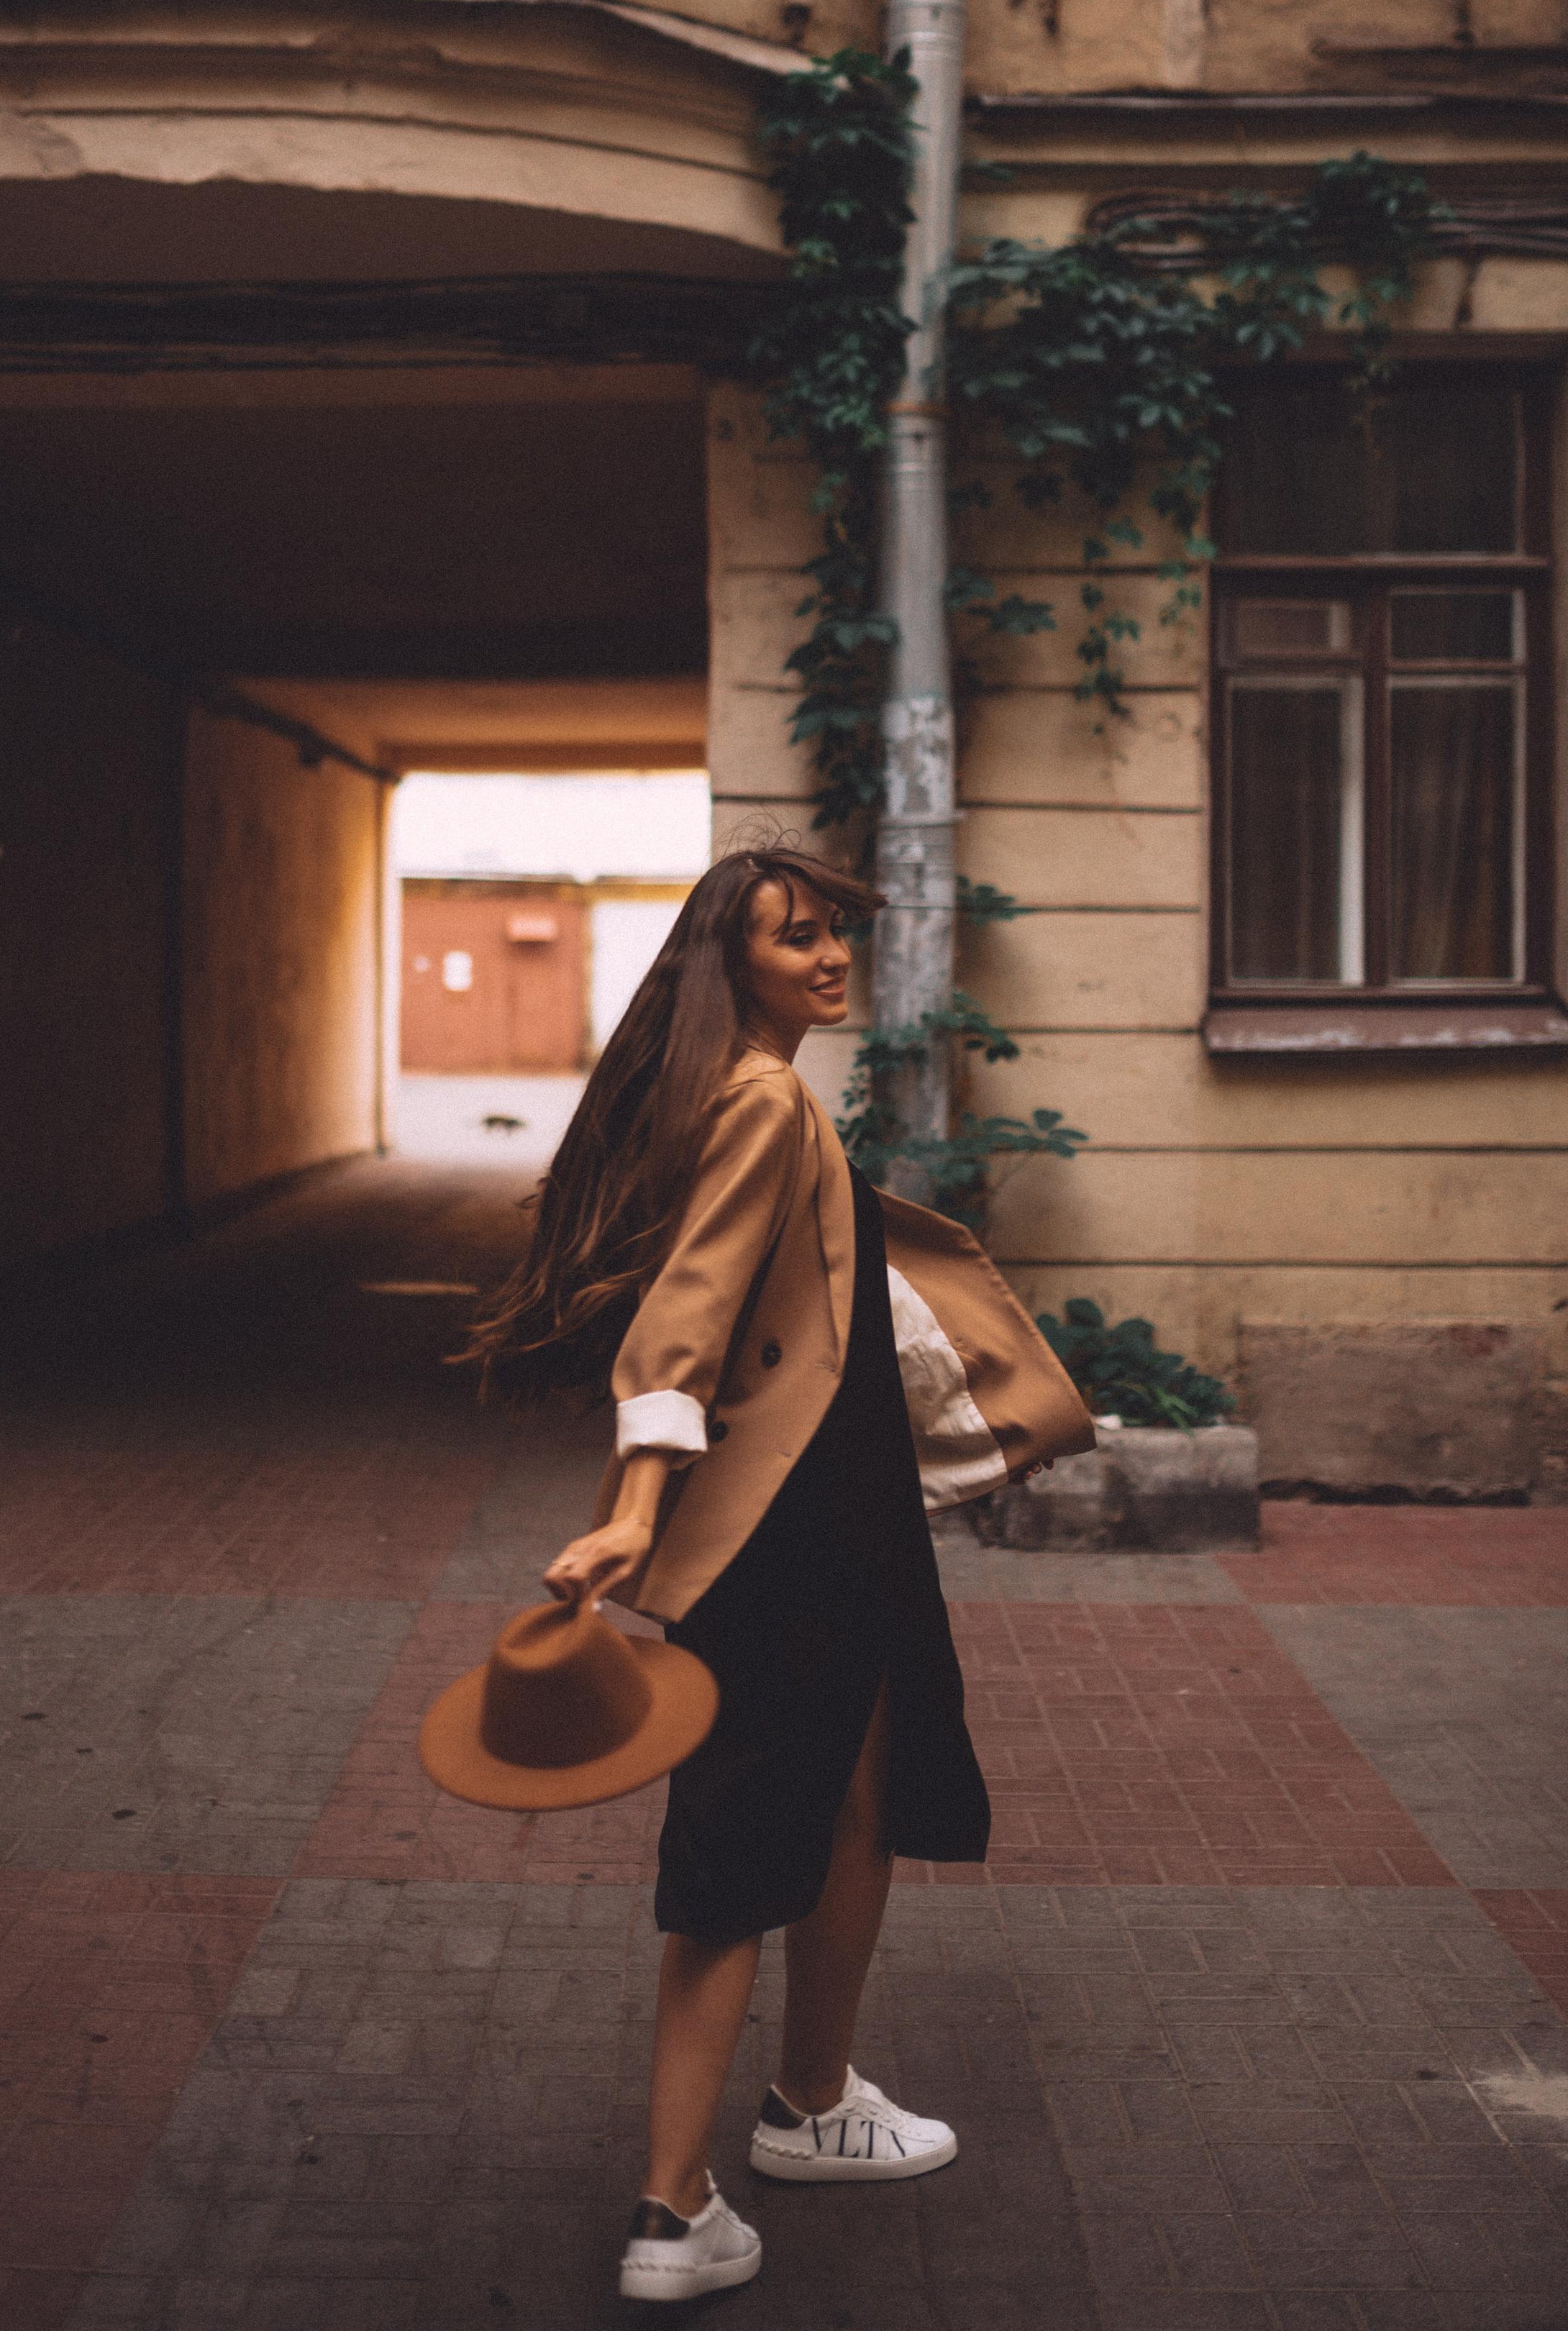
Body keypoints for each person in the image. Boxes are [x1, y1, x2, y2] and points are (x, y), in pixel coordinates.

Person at [465, 846, 1091, 2304]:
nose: (827, 954)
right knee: (740, 1843)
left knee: (860, 1788)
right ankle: (672, 2206)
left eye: (830, 931)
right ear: (729, 964)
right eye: (792, 936)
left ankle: (812, 2102)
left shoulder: (752, 1090)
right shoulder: (755, 1097)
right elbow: (688, 1309)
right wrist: (636, 1505)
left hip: (840, 1511)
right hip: (791, 1523)